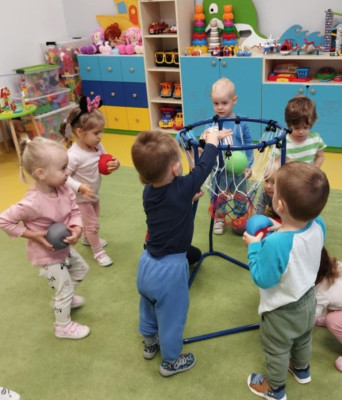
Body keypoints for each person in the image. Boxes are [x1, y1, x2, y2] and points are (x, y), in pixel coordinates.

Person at [131, 127, 232, 377]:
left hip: (146, 263)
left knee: (148, 306)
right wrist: (211, 142)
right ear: (176, 169)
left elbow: (171, 201)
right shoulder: (183, 187)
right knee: (172, 317)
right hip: (170, 269)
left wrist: (188, 198)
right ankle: (171, 361)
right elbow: (203, 168)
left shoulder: (149, 192)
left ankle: (149, 343)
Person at [243, 161, 330, 400]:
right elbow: (298, 232)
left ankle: (275, 388)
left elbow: (262, 278)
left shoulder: (275, 243)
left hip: (281, 310)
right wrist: (279, 224)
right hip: (308, 299)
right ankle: (302, 370)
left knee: (277, 350)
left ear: (280, 205)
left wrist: (254, 247)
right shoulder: (318, 224)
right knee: (303, 339)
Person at [0, 137, 90, 340]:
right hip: (46, 257)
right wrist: (33, 235)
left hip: (62, 249)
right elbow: (3, 220)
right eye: (63, 168)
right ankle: (63, 327)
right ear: (41, 173)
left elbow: (74, 211)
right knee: (65, 289)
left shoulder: (63, 188)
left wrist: (76, 229)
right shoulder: (31, 203)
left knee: (81, 269)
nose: (68, 172)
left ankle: (63, 297)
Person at [60, 96, 120, 267]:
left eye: (101, 131)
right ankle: (98, 251)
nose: (100, 136)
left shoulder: (97, 146)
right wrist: (79, 187)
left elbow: (106, 160)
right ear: (80, 132)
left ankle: (87, 238)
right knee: (93, 224)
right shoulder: (74, 155)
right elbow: (63, 177)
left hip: (93, 193)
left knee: (94, 217)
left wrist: (116, 163)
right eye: (96, 133)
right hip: (80, 198)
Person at [207, 78, 253, 235]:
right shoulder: (211, 123)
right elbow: (207, 143)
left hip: (238, 169)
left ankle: (240, 217)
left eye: (224, 103)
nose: (220, 107)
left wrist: (249, 165)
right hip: (219, 168)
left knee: (240, 194)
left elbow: (249, 144)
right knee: (219, 194)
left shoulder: (242, 123)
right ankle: (219, 218)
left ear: (234, 100)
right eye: (216, 103)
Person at [269, 96, 326, 167]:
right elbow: (272, 162)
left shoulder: (316, 139)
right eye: (296, 128)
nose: (301, 132)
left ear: (311, 123)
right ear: (289, 125)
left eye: (305, 128)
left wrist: (314, 168)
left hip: (308, 173)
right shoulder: (281, 142)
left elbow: (320, 156)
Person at [254, 158, 282, 222]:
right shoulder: (265, 192)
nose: (268, 186)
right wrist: (255, 222)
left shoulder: (289, 194)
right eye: (266, 180)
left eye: (274, 182)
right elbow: (258, 210)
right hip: (273, 211)